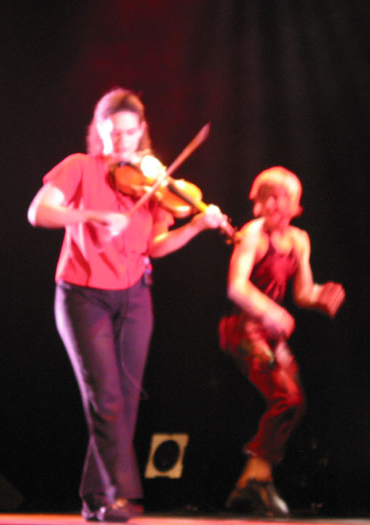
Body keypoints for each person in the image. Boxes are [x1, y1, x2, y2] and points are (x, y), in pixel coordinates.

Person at [27, 87, 226, 522]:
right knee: (107, 399)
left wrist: (197, 227)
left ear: (142, 132)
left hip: (136, 295)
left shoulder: (152, 180)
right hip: (82, 296)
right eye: (113, 132)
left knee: (127, 401)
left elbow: (155, 246)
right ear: (100, 130)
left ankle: (98, 495)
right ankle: (112, 496)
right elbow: (38, 212)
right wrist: (91, 216)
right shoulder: (80, 167)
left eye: (130, 132)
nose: (122, 141)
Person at [219, 166, 345, 517]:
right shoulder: (252, 234)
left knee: (295, 403)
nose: (275, 204)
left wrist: (320, 296)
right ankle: (255, 479)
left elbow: (302, 292)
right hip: (243, 329)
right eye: (268, 197)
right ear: (258, 202)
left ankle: (252, 478)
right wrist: (271, 311)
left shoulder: (299, 240)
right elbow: (236, 286)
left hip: (270, 334)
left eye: (282, 197)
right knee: (286, 397)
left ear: (296, 205)